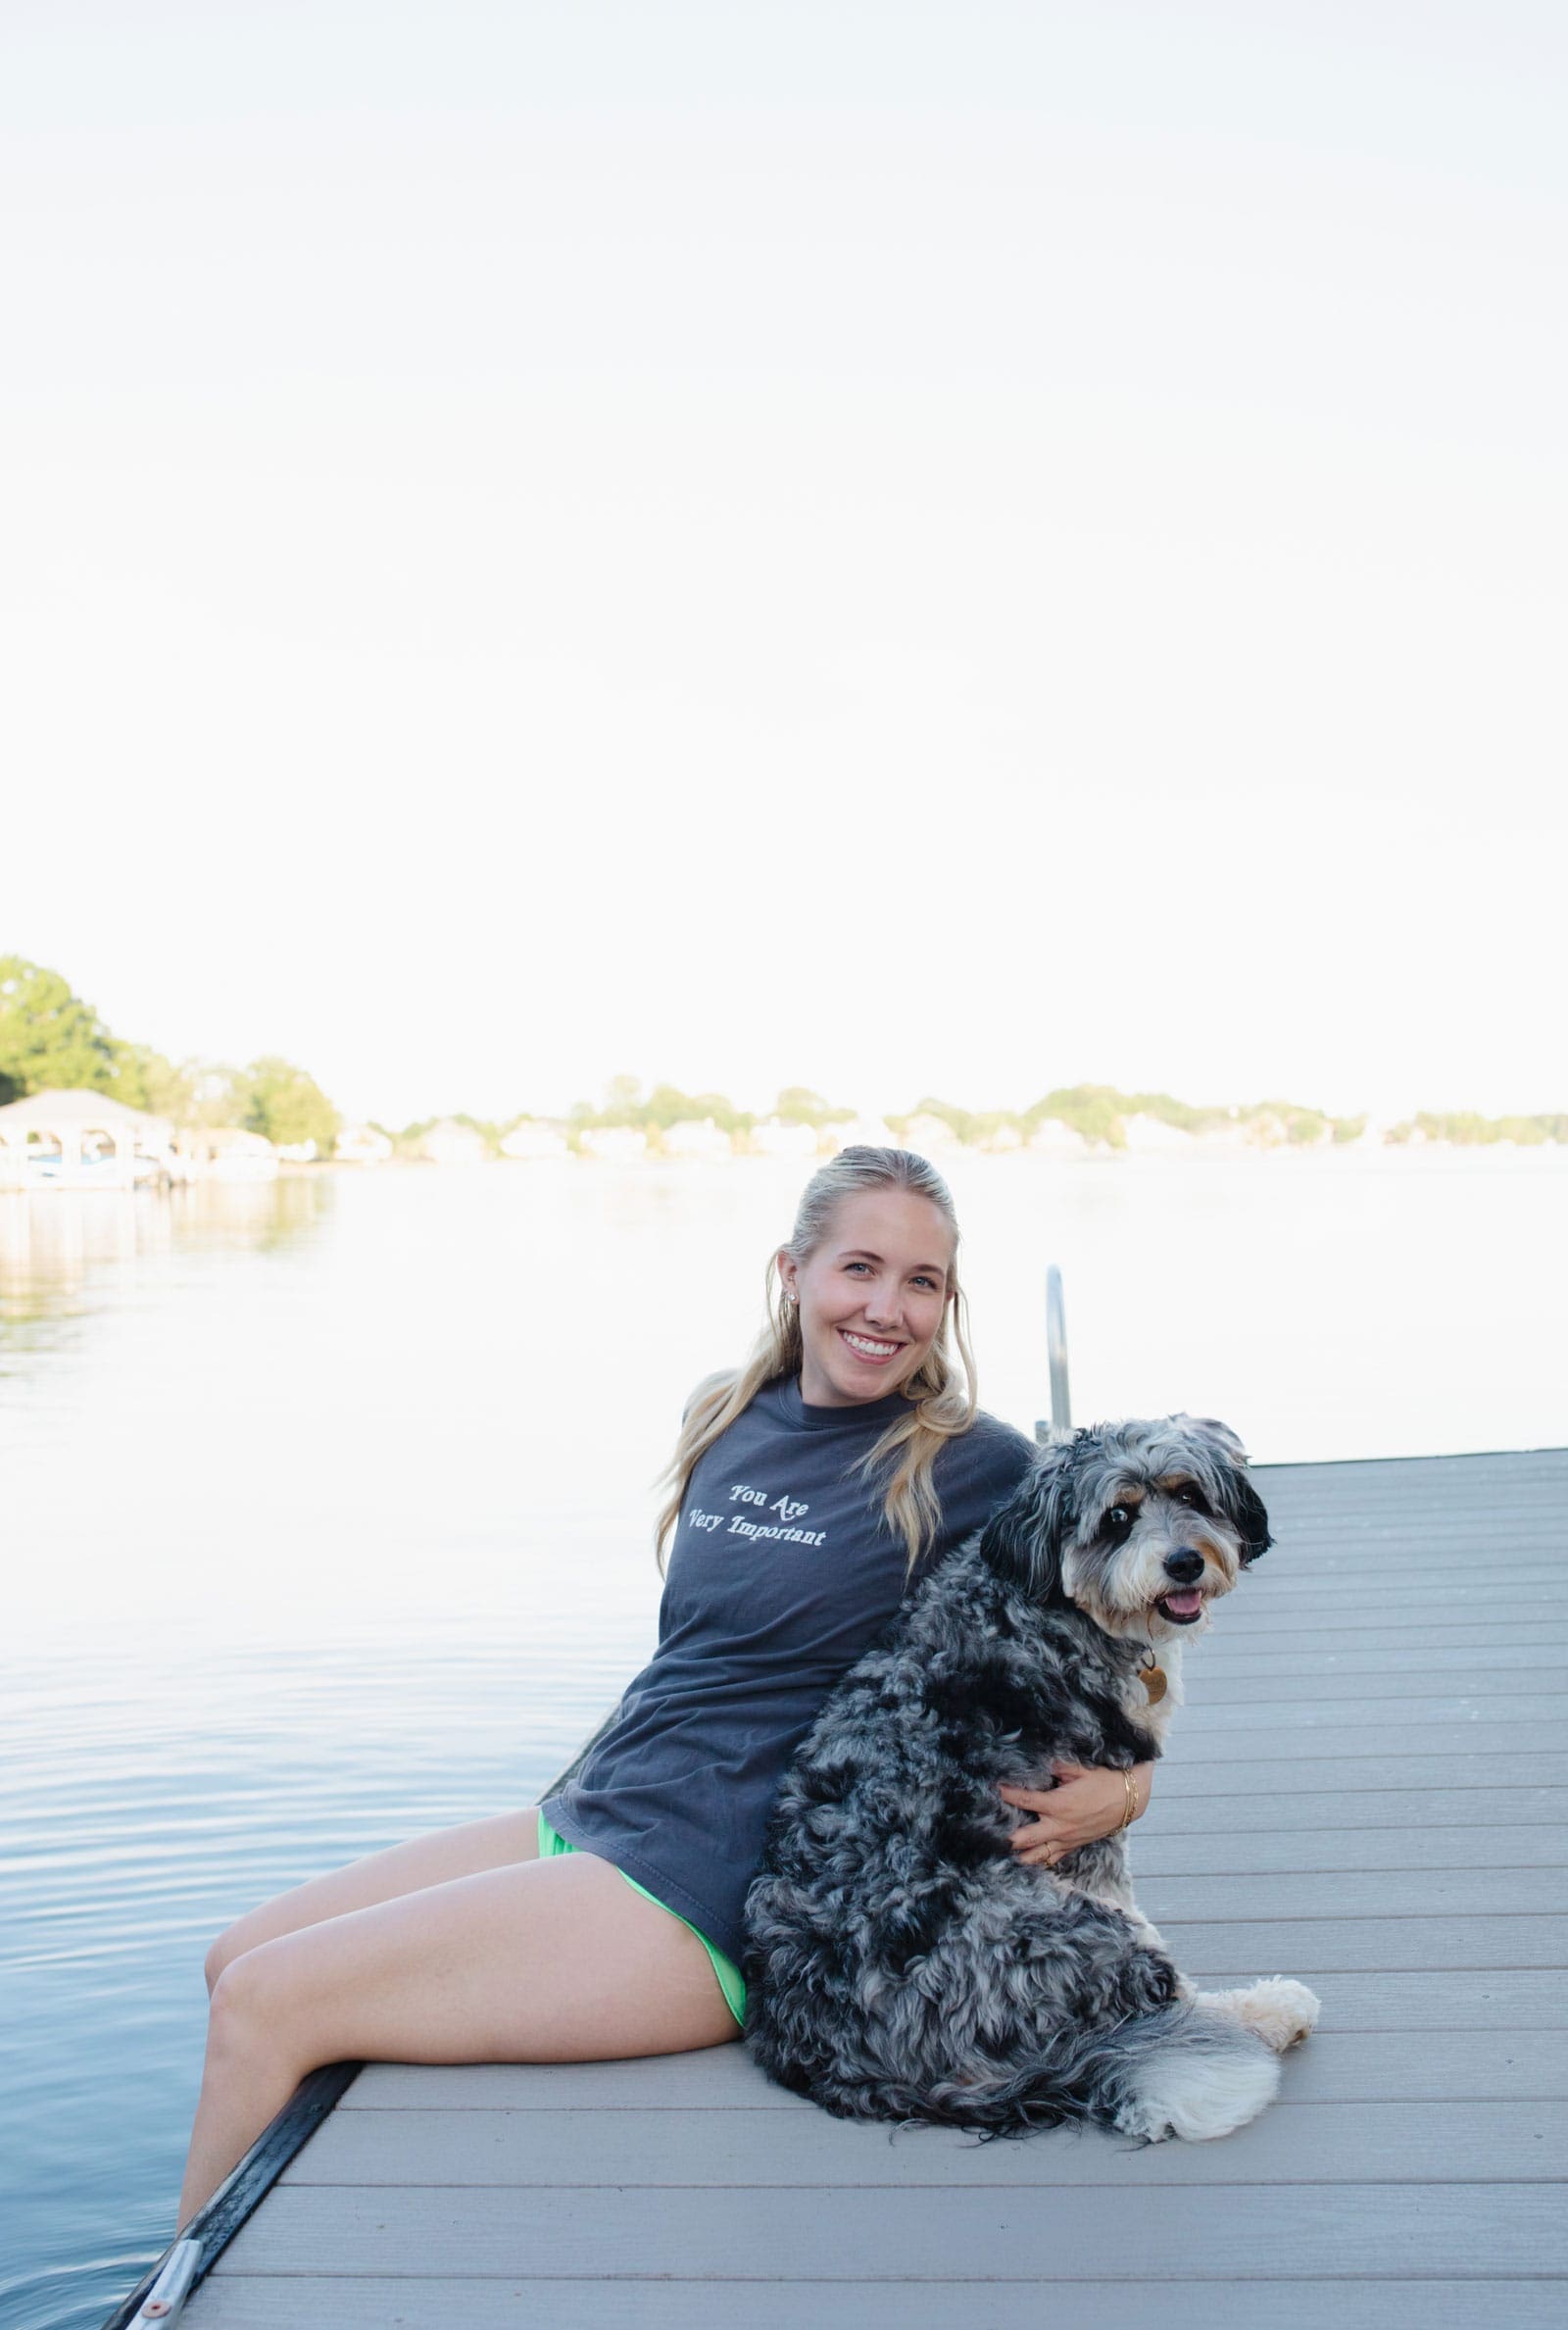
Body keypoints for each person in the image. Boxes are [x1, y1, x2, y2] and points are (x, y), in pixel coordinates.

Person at [175, 1146, 1154, 2233]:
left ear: (947, 1301)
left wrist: (1126, 1792)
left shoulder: (974, 1463)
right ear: (792, 1269)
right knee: (234, 1961)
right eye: (859, 1269)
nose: (886, 1309)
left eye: (921, 1282)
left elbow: (1126, 1625)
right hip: (597, 1808)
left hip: (719, 1881)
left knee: (270, 2005)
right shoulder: (728, 1414)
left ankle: (169, 2298)